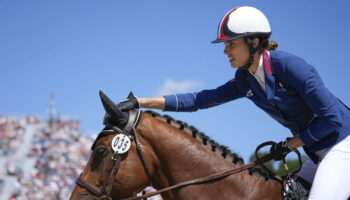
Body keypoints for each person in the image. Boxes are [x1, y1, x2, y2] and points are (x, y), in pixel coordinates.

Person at [115, 6, 350, 200]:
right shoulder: (244, 80)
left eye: (231, 44)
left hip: (343, 144)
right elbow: (199, 100)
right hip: (319, 153)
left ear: (254, 42)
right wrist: (140, 101)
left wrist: (292, 143)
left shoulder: (291, 67)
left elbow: (333, 119)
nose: (226, 51)